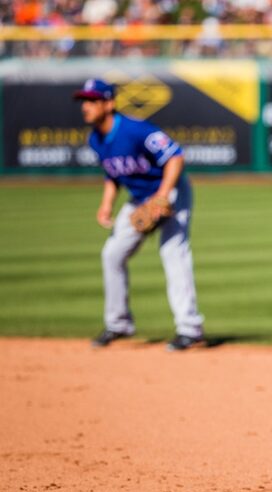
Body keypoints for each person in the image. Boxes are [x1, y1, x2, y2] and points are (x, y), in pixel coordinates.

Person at [74, 78, 205, 351]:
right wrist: (106, 204)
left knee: (173, 253)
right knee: (112, 254)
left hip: (171, 191)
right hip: (139, 199)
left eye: (91, 101)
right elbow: (113, 173)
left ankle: (189, 328)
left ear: (108, 103)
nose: (85, 107)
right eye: (83, 101)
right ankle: (118, 323)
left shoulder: (135, 130)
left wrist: (162, 196)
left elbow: (175, 157)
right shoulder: (95, 138)